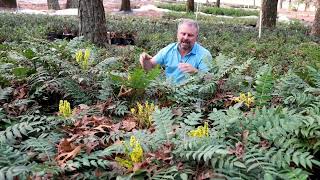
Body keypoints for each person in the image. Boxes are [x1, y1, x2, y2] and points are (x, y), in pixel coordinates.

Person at [139, 18, 212, 83]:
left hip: (192, 96)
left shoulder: (204, 54)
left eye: (190, 35)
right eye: (183, 34)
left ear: (196, 37)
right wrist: (144, 61)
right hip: (168, 93)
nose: (186, 37)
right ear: (177, 34)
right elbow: (150, 66)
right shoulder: (169, 50)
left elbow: (210, 80)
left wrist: (195, 72)